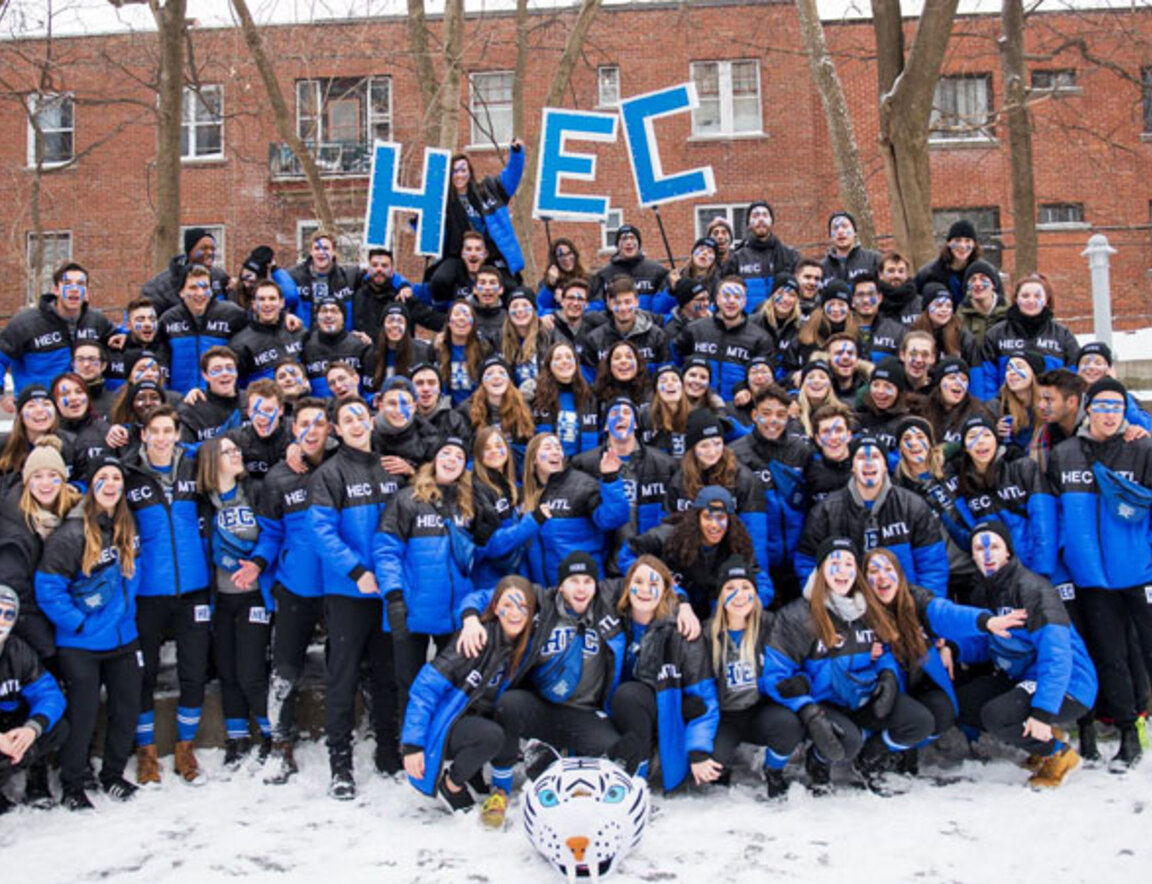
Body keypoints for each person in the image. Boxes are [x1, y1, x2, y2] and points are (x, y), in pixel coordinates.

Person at [763, 537, 933, 794]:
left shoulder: (868, 608)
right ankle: (817, 763)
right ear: (820, 569)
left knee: (919, 721)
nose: (842, 571)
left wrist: (887, 675)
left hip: (862, 695)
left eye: (849, 563)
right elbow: (775, 675)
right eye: (835, 563)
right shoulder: (797, 615)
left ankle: (869, 758)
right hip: (825, 702)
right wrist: (807, 710)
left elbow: (884, 648)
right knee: (846, 743)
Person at [1047, 377, 1152, 772]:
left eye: (1117, 406)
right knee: (1110, 656)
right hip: (1091, 577)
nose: (1110, 414)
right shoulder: (1065, 454)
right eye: (1103, 406)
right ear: (1087, 408)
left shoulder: (1142, 448)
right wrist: (1066, 558)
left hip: (1139, 572)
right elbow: (1056, 514)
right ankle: (1127, 731)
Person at [35, 455, 143, 809]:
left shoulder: (127, 525)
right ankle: (73, 782)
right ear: (91, 484)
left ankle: (113, 774)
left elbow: (133, 576)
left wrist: (122, 617)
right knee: (81, 716)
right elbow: (48, 590)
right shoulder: (70, 533)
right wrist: (80, 623)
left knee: (125, 710)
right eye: (103, 478)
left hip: (123, 638)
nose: (111, 484)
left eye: (116, 478)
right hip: (81, 643)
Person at [863, 547, 1028, 776]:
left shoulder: (915, 599)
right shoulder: (858, 611)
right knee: (916, 720)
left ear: (899, 575)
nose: (882, 577)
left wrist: (986, 622)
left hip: (914, 682)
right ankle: (872, 754)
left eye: (888, 569)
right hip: (879, 692)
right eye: (873, 571)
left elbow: (947, 613)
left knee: (942, 713)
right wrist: (861, 651)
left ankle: (902, 746)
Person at [956, 522, 1098, 787]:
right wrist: (953, 649)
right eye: (979, 549)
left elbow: (1057, 657)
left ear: (1008, 551)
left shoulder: (1033, 589)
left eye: (995, 547)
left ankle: (1058, 753)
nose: (987, 554)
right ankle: (1043, 740)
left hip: (1069, 683)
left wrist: (1043, 711)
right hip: (1024, 677)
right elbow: (988, 643)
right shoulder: (984, 591)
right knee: (964, 701)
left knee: (998, 715)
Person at [309, 396, 398, 797]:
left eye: (361, 416)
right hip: (349, 591)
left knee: (386, 675)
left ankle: (389, 752)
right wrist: (357, 571)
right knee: (342, 679)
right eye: (348, 419)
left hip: (387, 591)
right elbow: (321, 532)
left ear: (372, 421)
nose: (357, 423)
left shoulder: (389, 467)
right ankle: (340, 764)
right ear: (337, 430)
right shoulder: (329, 474)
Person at [123, 405, 212, 787]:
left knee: (194, 671)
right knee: (143, 674)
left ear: (177, 434)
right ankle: (146, 751)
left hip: (194, 588)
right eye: (154, 431)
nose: (161, 437)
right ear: (143, 435)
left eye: (167, 431)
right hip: (147, 593)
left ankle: (184, 746)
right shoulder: (129, 474)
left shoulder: (194, 469)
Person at [402, 576, 538, 825]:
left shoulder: (523, 642)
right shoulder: (475, 639)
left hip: (476, 718)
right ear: (495, 608)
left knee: (511, 707)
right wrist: (412, 745)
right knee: (491, 735)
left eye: (522, 607)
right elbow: (425, 688)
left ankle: (474, 772)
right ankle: (451, 785)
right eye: (507, 606)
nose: (514, 613)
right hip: (447, 725)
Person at [251, 398, 331, 784]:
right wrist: (260, 568)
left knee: (350, 664)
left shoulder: (341, 465)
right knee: (284, 669)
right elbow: (270, 534)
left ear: (330, 429)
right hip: (296, 587)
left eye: (319, 423)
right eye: (304, 424)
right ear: (293, 428)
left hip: (339, 586)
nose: (312, 431)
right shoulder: (278, 477)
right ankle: (280, 745)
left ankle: (354, 735)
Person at [375, 436, 476, 724]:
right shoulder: (406, 499)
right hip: (412, 611)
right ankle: (409, 744)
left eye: (459, 456)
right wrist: (394, 596)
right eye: (446, 453)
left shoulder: (467, 504)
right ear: (433, 461)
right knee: (409, 687)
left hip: (453, 614)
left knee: (451, 687)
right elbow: (386, 551)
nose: (452, 459)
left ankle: (444, 743)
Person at [606, 555, 720, 792]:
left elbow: (705, 694)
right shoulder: (612, 618)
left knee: (629, 695)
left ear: (666, 590)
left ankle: (637, 777)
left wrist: (698, 750)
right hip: (612, 713)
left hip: (661, 711)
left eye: (653, 584)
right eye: (638, 582)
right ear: (627, 585)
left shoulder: (682, 628)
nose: (645, 590)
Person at [197, 435, 272, 769]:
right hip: (221, 599)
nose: (235, 454)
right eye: (226, 452)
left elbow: (271, 533)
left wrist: (257, 563)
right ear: (211, 461)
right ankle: (237, 737)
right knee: (227, 671)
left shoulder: (255, 491)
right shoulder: (203, 501)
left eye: (236, 450)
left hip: (254, 595)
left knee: (251, 671)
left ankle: (272, 734)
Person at [797, 434, 949, 597]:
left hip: (903, 605)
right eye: (861, 457)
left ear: (885, 466)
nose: (868, 462)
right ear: (852, 466)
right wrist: (829, 604)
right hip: (850, 608)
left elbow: (933, 567)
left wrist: (921, 606)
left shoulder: (912, 506)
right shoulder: (826, 511)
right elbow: (807, 563)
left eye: (876, 456)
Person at [705, 557, 805, 798]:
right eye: (730, 588)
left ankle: (773, 770)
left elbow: (796, 661)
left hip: (759, 710)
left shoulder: (771, 625)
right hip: (725, 716)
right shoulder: (707, 633)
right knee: (712, 762)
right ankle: (726, 763)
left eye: (746, 587)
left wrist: (801, 681)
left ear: (755, 593)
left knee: (787, 726)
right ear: (720, 595)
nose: (739, 595)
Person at [624, 486, 771, 619]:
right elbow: (627, 554)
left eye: (721, 517)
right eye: (708, 517)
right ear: (696, 518)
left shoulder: (737, 545)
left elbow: (762, 583)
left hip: (715, 616)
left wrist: (738, 603)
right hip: (668, 608)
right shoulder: (669, 536)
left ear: (730, 520)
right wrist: (661, 583)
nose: (714, 525)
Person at [572, 397, 677, 577]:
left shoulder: (665, 464)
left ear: (635, 424)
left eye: (627, 413)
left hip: (650, 564)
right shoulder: (583, 464)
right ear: (606, 426)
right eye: (614, 413)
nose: (621, 417)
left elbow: (672, 518)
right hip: (607, 567)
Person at [0, 436, 81, 667]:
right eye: (37, 476)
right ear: (27, 481)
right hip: (34, 618)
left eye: (53, 475)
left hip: (69, 609)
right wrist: (48, 642)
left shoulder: (77, 510)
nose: (46, 483)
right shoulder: (14, 523)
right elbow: (17, 589)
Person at [731, 384, 810, 602]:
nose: (773, 421)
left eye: (780, 415)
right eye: (766, 413)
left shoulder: (800, 450)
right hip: (759, 557)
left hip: (797, 558)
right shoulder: (736, 453)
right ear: (754, 415)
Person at [519, 432, 629, 586]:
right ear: (533, 459)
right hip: (546, 592)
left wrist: (611, 478)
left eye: (558, 448)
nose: (555, 452)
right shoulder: (523, 495)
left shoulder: (582, 485)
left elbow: (613, 519)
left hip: (583, 588)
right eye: (548, 448)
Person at [0, 262, 118, 400]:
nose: (74, 289)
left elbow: (121, 346)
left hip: (80, 406)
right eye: (67, 283)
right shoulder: (26, 323)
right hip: (39, 407)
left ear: (86, 292)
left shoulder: (97, 321)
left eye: (80, 284)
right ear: (55, 290)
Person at [0, 585, 68, 813]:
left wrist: (31, 729)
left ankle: (36, 782)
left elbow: (49, 694)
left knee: (57, 727)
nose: (2, 620)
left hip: (8, 724)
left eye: (8, 614)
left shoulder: (17, 650)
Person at [974, 273, 1079, 401]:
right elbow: (987, 378)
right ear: (1016, 299)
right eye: (1025, 296)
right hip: (1007, 407)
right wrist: (993, 407)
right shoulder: (996, 334)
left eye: (1037, 296)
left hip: (1049, 408)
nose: (1031, 301)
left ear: (1047, 300)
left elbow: (1072, 379)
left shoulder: (1062, 335)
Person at [674, 276, 774, 401]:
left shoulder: (760, 338)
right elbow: (675, 364)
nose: (731, 301)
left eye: (737, 297)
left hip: (738, 406)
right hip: (699, 404)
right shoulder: (694, 330)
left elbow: (765, 378)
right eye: (726, 296)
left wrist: (744, 389)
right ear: (717, 300)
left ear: (744, 302)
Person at [439, 142, 526, 279]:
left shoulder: (488, 191)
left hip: (492, 254)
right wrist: (416, 221)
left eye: (463, 170)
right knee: (439, 281)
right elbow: (432, 229)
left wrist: (516, 153)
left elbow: (511, 177)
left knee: (509, 285)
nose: (459, 175)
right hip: (460, 256)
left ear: (470, 172)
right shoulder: (444, 202)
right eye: (454, 171)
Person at [157, 264, 248, 395]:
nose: (200, 293)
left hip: (219, 399)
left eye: (205, 287)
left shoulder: (232, 315)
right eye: (193, 288)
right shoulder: (168, 320)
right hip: (181, 399)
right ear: (181, 292)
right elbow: (159, 359)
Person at [582, 277, 669, 379]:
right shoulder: (594, 339)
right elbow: (590, 378)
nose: (623, 308)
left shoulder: (657, 336)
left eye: (627, 302)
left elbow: (665, 374)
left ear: (636, 302)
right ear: (609, 304)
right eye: (617, 303)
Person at [722, 201, 799, 314]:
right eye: (756, 216)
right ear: (749, 224)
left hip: (780, 319)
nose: (761, 219)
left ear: (772, 222)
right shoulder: (736, 258)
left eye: (765, 215)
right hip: (748, 320)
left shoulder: (790, 255)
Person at [459, 356, 536, 471]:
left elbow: (528, 446)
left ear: (509, 380)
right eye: (489, 373)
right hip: (481, 471)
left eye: (502, 372)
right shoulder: (466, 410)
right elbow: (466, 452)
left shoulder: (523, 407)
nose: (496, 377)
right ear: (482, 382)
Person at [228, 279, 307, 386]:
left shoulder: (298, 332)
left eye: (272, 298)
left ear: (282, 303)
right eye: (261, 299)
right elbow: (236, 386)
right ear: (253, 305)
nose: (267, 304)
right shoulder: (240, 345)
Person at [141, 227, 230, 317]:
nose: (210, 252)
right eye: (204, 248)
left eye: (212, 249)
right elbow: (146, 314)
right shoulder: (161, 285)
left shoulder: (220, 277)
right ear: (189, 251)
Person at [532, 340, 600, 458]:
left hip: (583, 464)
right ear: (549, 365)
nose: (564, 361)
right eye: (558, 358)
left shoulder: (590, 396)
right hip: (549, 463)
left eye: (569, 357)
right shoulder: (536, 397)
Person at [303, 294, 374, 399]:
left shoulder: (360, 345)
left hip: (352, 405)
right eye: (324, 311)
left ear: (343, 318)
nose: (328, 315)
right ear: (317, 318)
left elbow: (369, 387)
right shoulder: (306, 345)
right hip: (319, 406)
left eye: (334, 311)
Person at [287, 230, 363, 328]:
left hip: (337, 335)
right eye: (317, 248)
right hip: (304, 334)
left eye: (326, 248)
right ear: (311, 252)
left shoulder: (349, 277)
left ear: (334, 251)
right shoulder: (293, 277)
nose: (321, 252)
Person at [589, 224, 669, 313]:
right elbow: (596, 307)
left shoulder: (658, 272)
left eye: (632, 238)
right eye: (623, 239)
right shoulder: (603, 275)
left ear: (639, 243)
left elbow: (663, 307)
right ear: (617, 245)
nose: (628, 242)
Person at [1075, 341, 1151, 432]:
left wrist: (1115, 388)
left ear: (1109, 369)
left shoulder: (1127, 398)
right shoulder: (1071, 395)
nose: (1091, 367)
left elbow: (1144, 426)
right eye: (1086, 362)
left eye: (1098, 363)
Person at [351, 247, 428, 337]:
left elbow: (429, 318)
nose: (379, 269)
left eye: (384, 266)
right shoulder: (357, 295)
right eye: (375, 265)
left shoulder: (402, 297)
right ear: (368, 269)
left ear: (392, 271)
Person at [0, 385, 66, 489]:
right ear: (20, 415)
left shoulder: (70, 444)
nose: (40, 410)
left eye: (46, 404)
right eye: (31, 406)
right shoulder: (4, 446)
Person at [178, 347, 243, 446]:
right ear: (205, 375)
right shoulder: (191, 410)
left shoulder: (251, 401)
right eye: (217, 370)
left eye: (230, 368)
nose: (225, 373)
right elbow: (184, 449)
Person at [924, 357, 992, 448]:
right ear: (939, 383)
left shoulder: (978, 413)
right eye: (952, 378)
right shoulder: (923, 411)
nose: (958, 383)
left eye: (963, 379)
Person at [913, 219, 982, 307]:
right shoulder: (929, 273)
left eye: (967, 241)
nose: (962, 246)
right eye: (957, 240)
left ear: (974, 244)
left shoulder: (983, 272)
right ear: (948, 243)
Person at [435, 299, 489, 407]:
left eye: (466, 315)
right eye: (456, 314)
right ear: (449, 322)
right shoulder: (438, 349)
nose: (461, 318)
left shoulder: (484, 350)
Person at [752, 274, 804, 384]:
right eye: (780, 294)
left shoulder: (802, 328)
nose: (785, 299)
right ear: (772, 295)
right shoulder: (753, 323)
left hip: (788, 385)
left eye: (791, 295)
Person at [370, 304, 434, 393]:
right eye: (390, 321)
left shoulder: (422, 352)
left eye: (400, 321)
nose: (395, 325)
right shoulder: (371, 353)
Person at [501, 287, 550, 399]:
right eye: (514, 306)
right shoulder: (498, 340)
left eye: (525, 305)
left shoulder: (548, 337)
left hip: (544, 401)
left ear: (534, 310)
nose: (520, 310)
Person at [803, 402, 855, 506]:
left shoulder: (864, 469)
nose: (833, 437)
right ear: (818, 439)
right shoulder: (808, 473)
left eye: (839, 430)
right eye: (826, 431)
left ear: (849, 435)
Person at [912, 282, 976, 364]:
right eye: (939, 305)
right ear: (927, 308)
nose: (944, 310)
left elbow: (974, 364)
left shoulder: (961, 334)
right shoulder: (915, 333)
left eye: (948, 306)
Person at [852, 273, 905, 365]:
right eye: (860, 295)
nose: (866, 300)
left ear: (880, 298)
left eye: (871, 294)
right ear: (852, 301)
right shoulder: (844, 329)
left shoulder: (898, 332)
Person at [957, 259, 1008, 352]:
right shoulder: (960, 317)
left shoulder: (1009, 313)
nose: (977, 284)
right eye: (973, 280)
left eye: (983, 279)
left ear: (993, 284)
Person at [640, 364, 690, 457]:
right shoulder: (643, 415)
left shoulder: (695, 416)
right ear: (656, 390)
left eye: (675, 380)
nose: (670, 383)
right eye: (663, 381)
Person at [821, 211, 880, 284]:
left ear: (855, 232)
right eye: (835, 228)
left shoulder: (873, 259)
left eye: (845, 226)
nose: (840, 231)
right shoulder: (822, 268)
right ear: (830, 236)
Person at [536, 238, 587, 316]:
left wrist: (567, 301)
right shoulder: (547, 284)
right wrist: (549, 286)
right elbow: (540, 309)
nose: (566, 259)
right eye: (561, 256)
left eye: (569, 253)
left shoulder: (588, 278)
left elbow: (598, 305)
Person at [876, 251, 922, 328]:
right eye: (891, 271)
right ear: (880, 274)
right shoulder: (874, 304)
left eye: (901, 271)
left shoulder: (920, 304)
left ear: (907, 274)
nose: (896, 275)